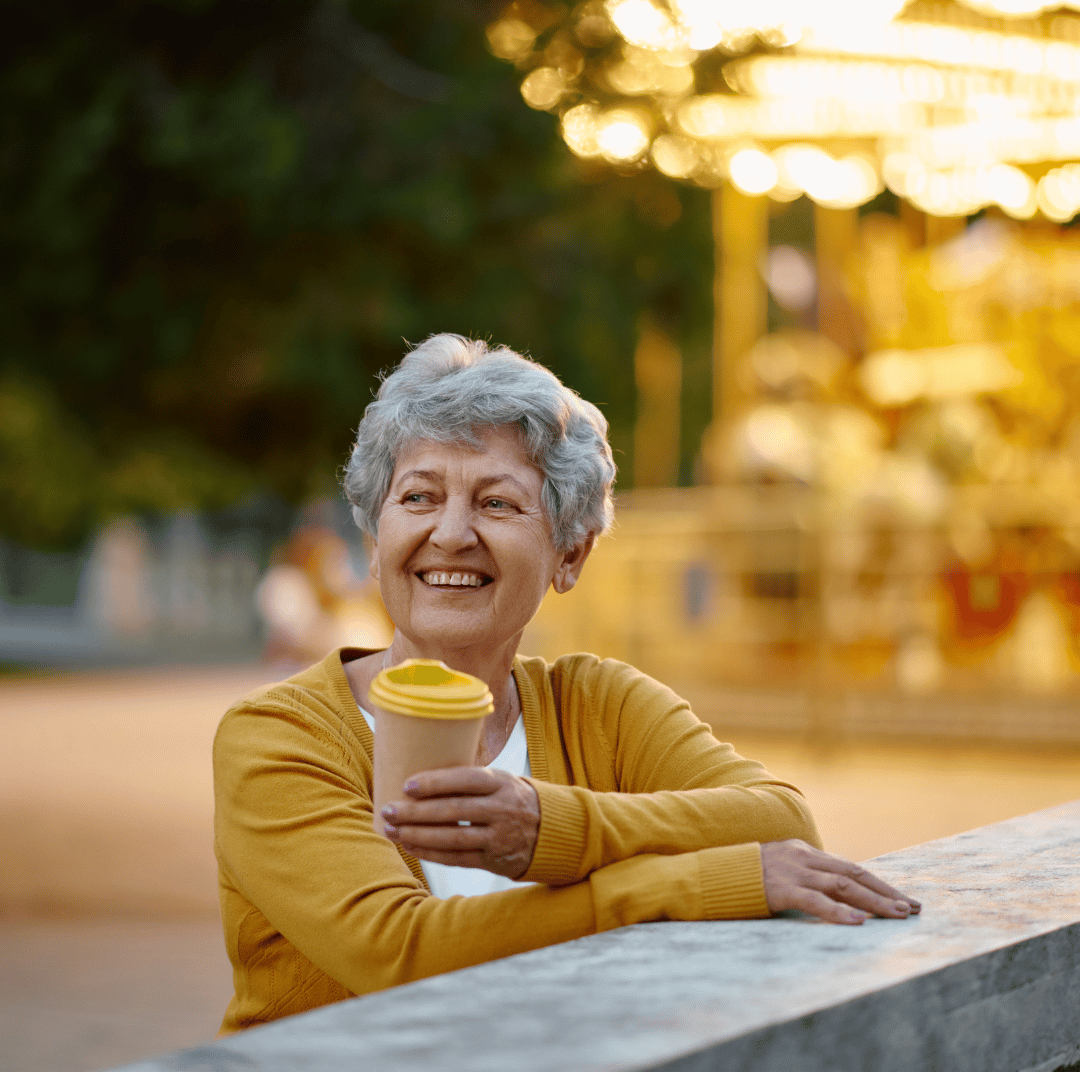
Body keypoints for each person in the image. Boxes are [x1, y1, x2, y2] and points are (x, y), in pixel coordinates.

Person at [213, 334, 920, 1034]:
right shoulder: (280, 736)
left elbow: (783, 826)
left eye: (497, 504)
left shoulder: (600, 704)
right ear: (375, 540)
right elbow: (404, 955)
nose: (451, 533)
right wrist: (679, 884)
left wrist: (550, 827)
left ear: (570, 553)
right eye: (419, 497)